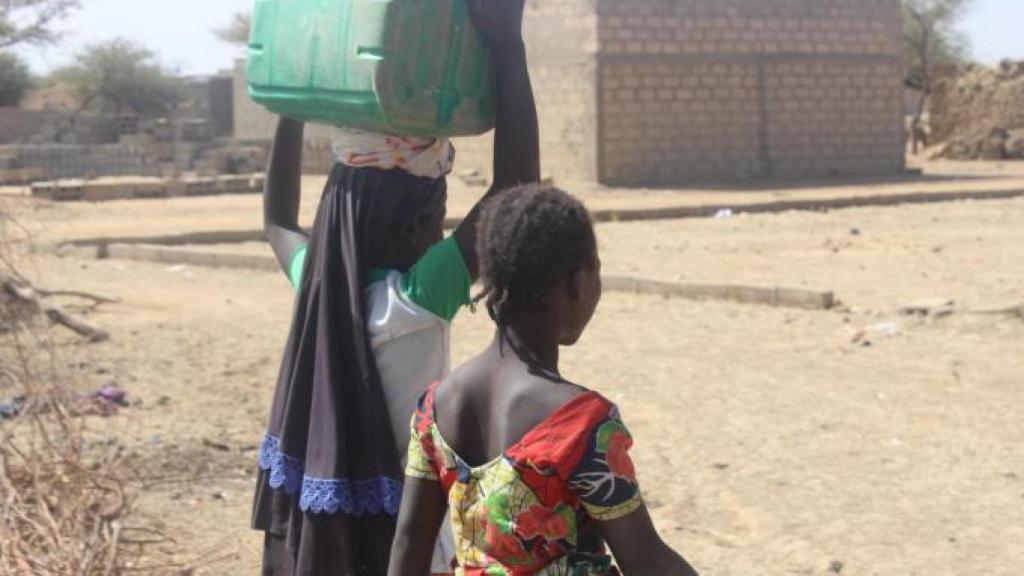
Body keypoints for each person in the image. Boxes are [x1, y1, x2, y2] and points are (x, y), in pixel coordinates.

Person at [251, 0, 539, 572]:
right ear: (413, 219)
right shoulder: (415, 299)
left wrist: (296, 93)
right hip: (402, 541)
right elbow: (516, 186)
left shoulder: (319, 287)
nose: (442, 223)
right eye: (438, 209)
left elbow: (278, 221)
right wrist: (509, 47)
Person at [388, 186, 700, 576]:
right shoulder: (582, 425)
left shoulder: (433, 408)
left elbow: (408, 544)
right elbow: (649, 562)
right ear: (578, 282)